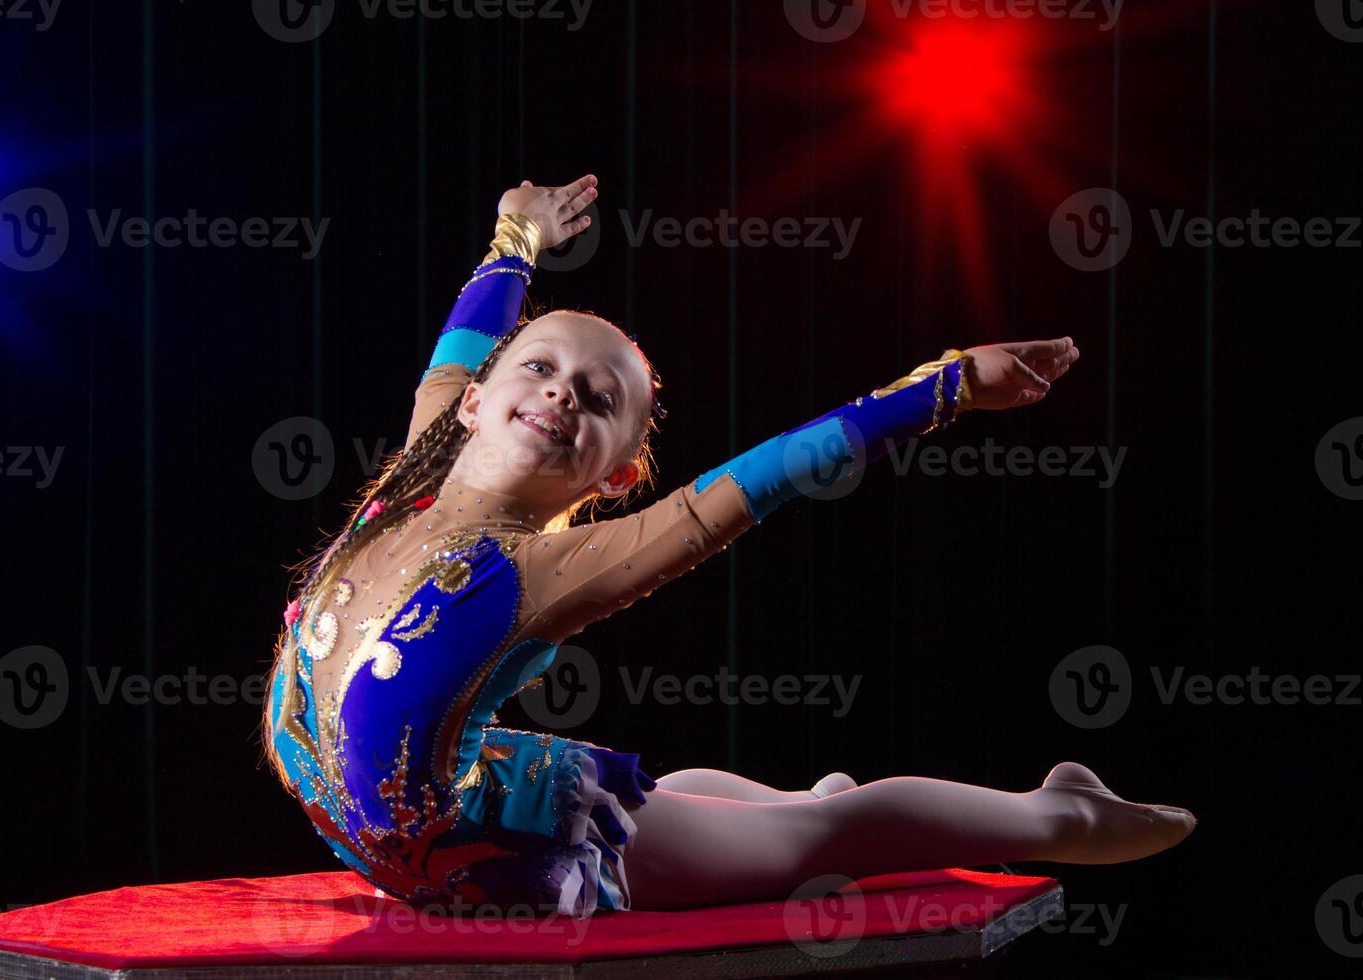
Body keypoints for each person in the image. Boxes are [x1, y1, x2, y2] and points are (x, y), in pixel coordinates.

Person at [263, 174, 1195, 918]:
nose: (560, 394)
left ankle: (1059, 812)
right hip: (456, 807)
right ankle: (790, 800)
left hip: (490, 856)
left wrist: (942, 387)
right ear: (474, 400)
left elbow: (756, 479)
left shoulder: (540, 573)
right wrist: (517, 234)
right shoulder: (414, 474)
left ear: (616, 479)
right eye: (541, 367)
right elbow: (465, 335)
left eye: (599, 400)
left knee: (822, 842)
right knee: (674, 801)